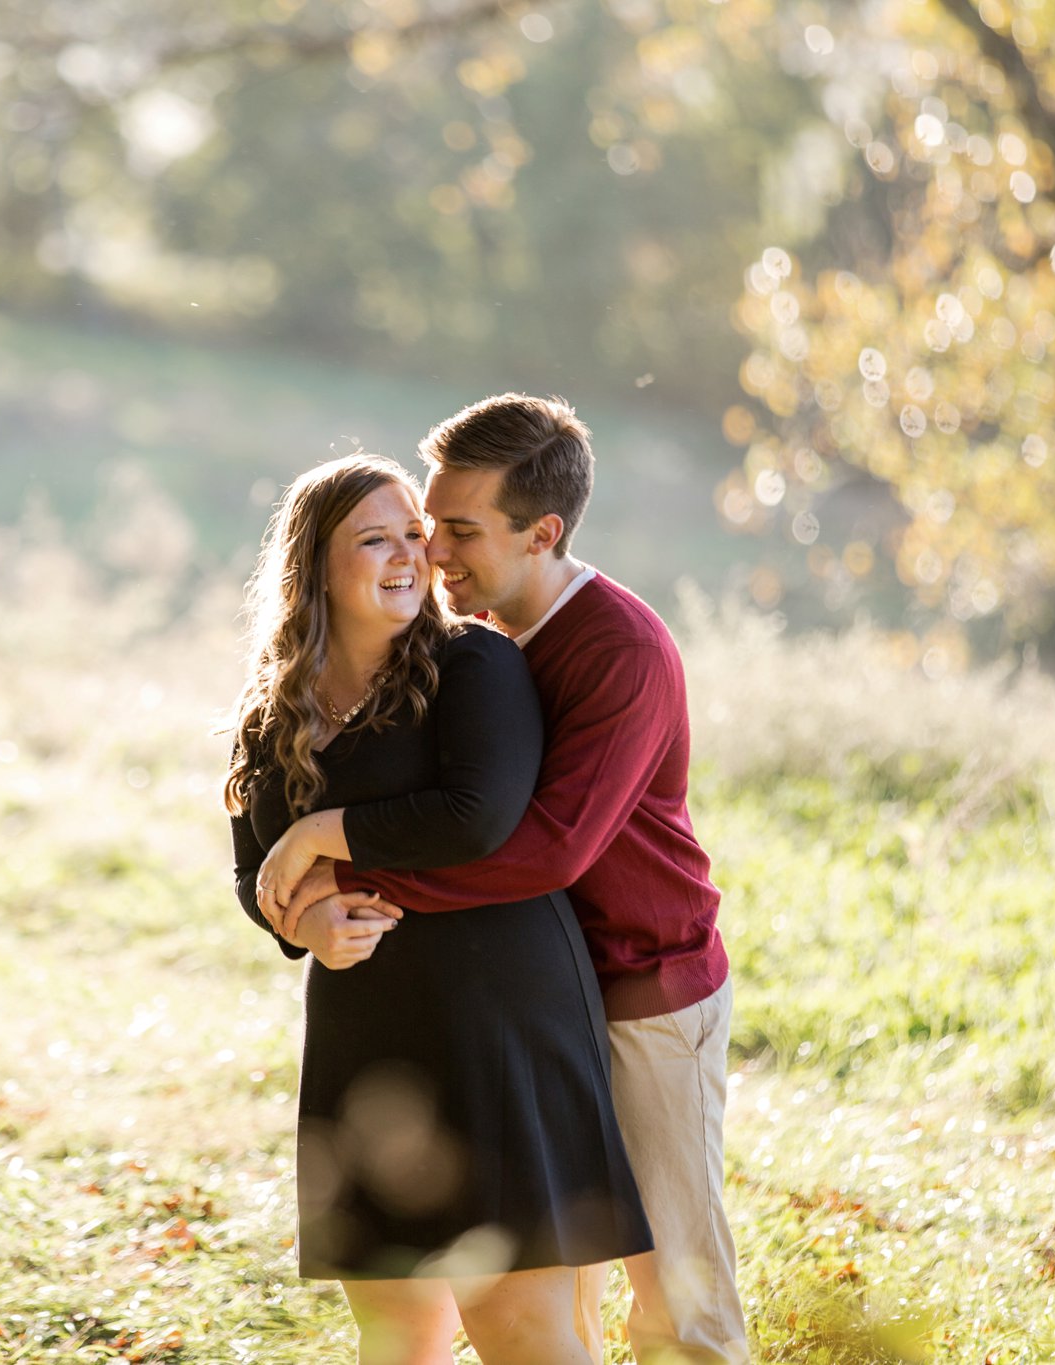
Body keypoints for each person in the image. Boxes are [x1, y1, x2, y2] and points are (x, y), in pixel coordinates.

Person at [263, 396, 752, 1364]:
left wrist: (336, 861)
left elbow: (543, 851)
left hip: (645, 989)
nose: (433, 554)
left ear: (543, 533)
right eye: (426, 525)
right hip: (545, 1005)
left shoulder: (617, 648)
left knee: (674, 1289)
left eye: (458, 530)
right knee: (556, 1296)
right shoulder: (468, 636)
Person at [226, 452, 652, 1365]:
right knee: (395, 1335)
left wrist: (323, 833)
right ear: (313, 565)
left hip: (497, 1018)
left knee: (521, 1330)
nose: (410, 555)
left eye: (416, 535)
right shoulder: (273, 706)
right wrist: (300, 924)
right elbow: (254, 876)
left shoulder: (473, 661)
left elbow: (478, 815)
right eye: (375, 537)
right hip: (364, 1034)